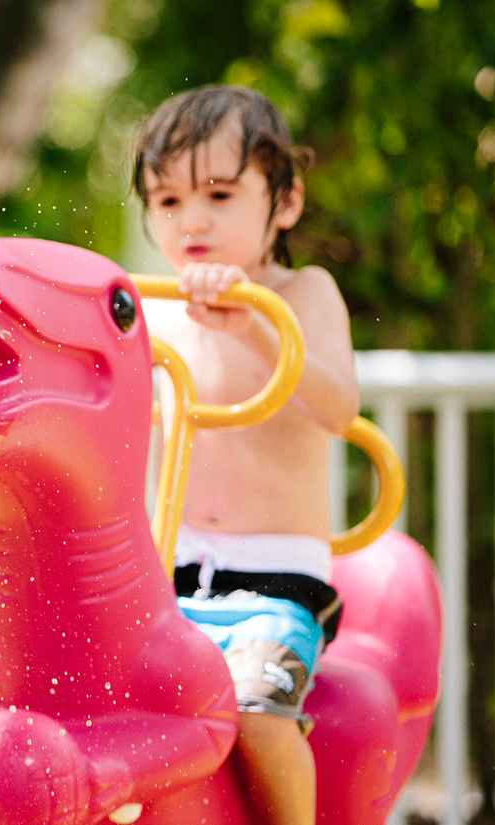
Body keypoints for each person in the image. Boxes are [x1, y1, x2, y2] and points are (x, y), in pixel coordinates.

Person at [132, 85, 359, 825]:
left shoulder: (303, 294)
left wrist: (259, 329)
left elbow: (339, 409)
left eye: (220, 195)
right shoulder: (154, 309)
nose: (192, 220)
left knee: (259, 711)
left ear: (285, 202)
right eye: (168, 201)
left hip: (276, 582)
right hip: (167, 577)